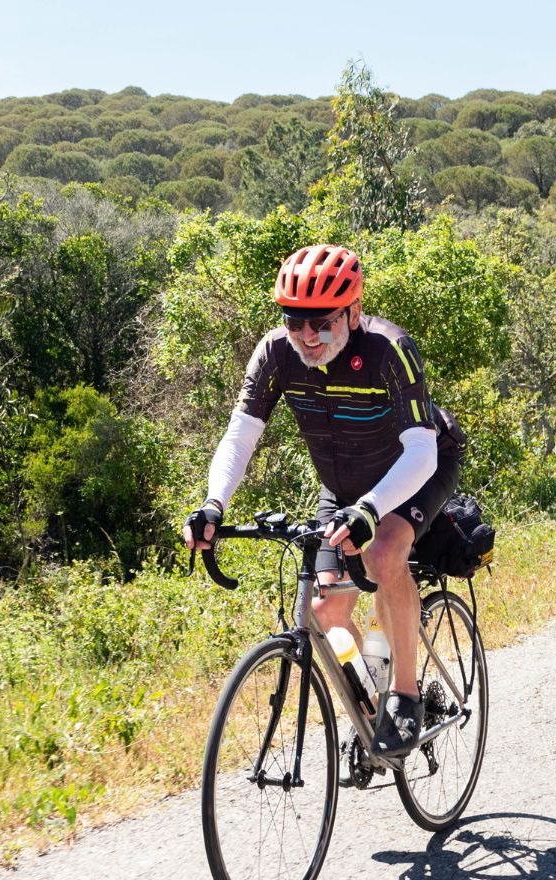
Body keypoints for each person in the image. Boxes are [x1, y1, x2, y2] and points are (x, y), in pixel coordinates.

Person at [181, 243, 466, 758]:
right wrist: (213, 504)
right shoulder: (275, 354)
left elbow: (420, 451)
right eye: (295, 320)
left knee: (383, 556)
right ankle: (372, 694)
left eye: (323, 321)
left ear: (353, 312)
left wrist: (373, 512)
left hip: (419, 466)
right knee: (325, 610)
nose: (308, 335)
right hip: (345, 486)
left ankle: (404, 696)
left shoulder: (387, 351)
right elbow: (240, 437)